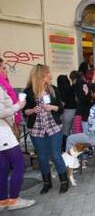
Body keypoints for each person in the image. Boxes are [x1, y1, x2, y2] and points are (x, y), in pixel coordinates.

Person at [23, 64, 68, 194]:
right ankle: (47, 183)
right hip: (36, 129)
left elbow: (61, 107)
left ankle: (64, 182)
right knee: (42, 157)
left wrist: (53, 107)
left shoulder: (53, 89)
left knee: (56, 154)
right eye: (48, 73)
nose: (50, 75)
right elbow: (24, 112)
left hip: (54, 127)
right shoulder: (28, 92)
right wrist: (32, 110)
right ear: (41, 75)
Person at [0, 58, 36, 210]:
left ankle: (3, 200)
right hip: (3, 132)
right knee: (18, 164)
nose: (5, 70)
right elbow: (1, 111)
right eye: (2, 67)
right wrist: (18, 106)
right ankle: (14, 199)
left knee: (2, 167)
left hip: (3, 131)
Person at [57, 75, 77, 152]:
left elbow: (62, 104)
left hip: (66, 112)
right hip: (75, 111)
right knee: (72, 131)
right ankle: (72, 148)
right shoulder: (72, 88)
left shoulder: (59, 90)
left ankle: (65, 148)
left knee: (65, 131)